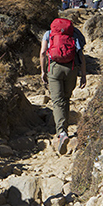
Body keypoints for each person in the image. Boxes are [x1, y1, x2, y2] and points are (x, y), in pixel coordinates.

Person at [40, 20, 86, 155]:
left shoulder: (48, 34)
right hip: (71, 68)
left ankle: (61, 132)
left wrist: (43, 71)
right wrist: (83, 74)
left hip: (54, 68)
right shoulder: (74, 34)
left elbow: (43, 52)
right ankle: (64, 128)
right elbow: (81, 55)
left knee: (57, 101)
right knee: (66, 98)